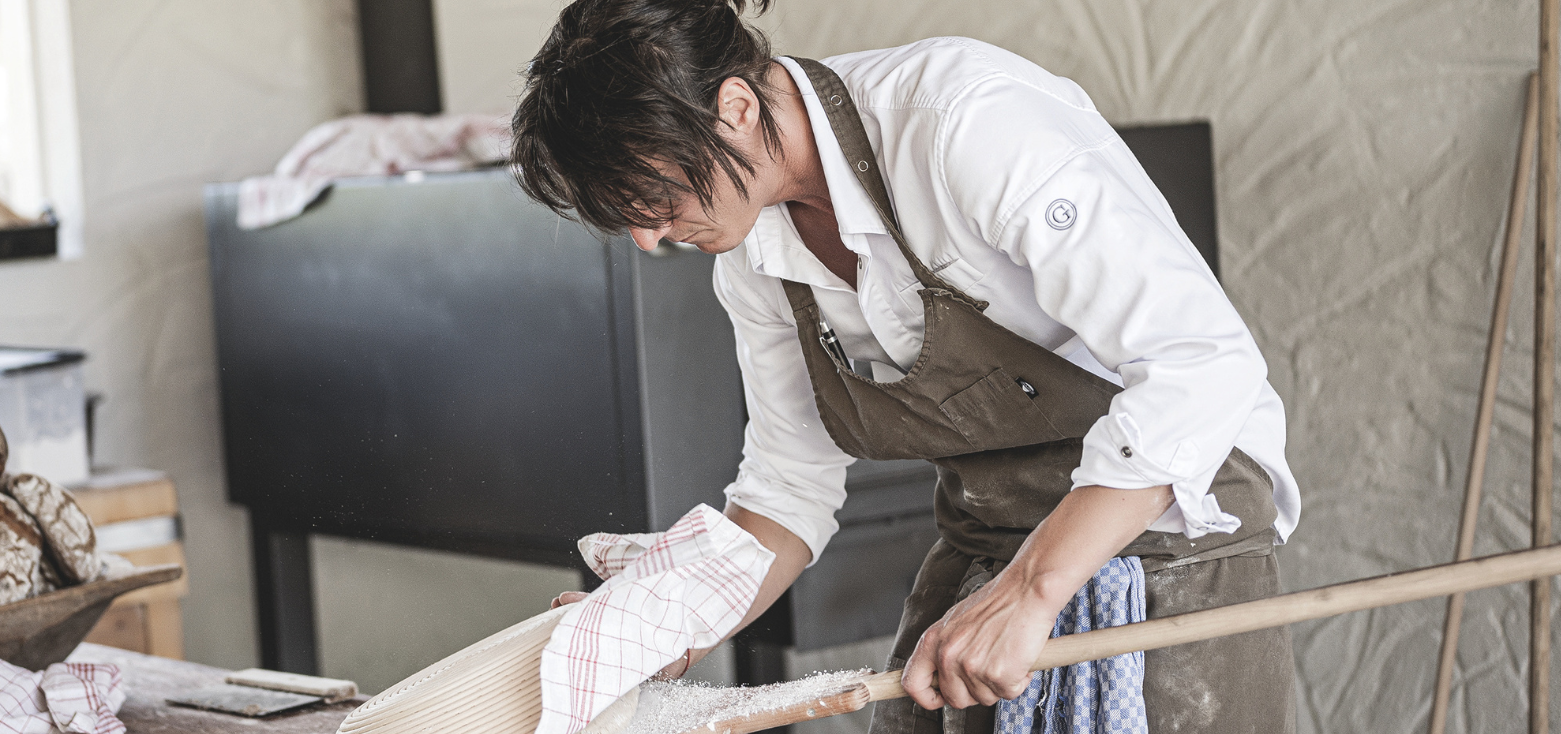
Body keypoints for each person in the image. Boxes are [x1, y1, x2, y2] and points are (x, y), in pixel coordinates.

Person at [514, 1, 1300, 731]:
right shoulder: (755, 258)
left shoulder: (962, 121)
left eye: (654, 197)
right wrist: (667, 621)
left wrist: (1032, 590)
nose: (649, 240)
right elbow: (789, 489)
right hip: (990, 543)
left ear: (737, 109)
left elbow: (1202, 361)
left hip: (1171, 535)